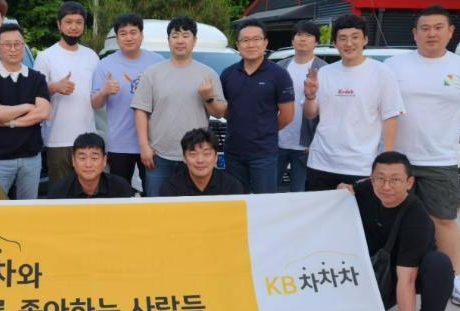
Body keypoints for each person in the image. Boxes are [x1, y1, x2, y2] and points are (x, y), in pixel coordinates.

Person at [386, 5, 460, 307]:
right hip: (397, 159)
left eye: (438, 27)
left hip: (440, 159)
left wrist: (444, 125)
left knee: (443, 221)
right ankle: (390, 274)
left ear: (450, 31)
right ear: (415, 33)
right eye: (425, 28)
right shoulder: (394, 65)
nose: (432, 33)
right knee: (393, 220)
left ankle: (453, 278)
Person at [339, 151, 454, 311]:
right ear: (371, 178)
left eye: (395, 180)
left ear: (409, 182)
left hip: (404, 274)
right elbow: (344, 191)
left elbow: (406, 279)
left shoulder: (416, 218)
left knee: (439, 264)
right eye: (380, 178)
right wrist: (341, 190)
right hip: (372, 269)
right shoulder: (365, 190)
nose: (386, 186)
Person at [303, 14, 405, 191]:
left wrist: (384, 163)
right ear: (335, 43)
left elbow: (390, 118)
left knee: (361, 210)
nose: (349, 43)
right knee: (320, 210)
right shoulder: (324, 73)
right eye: (342, 38)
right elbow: (310, 114)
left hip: (361, 166)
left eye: (355, 37)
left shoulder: (382, 72)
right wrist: (310, 96)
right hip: (320, 162)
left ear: (365, 39)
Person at [130, 15, 226, 197]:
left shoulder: (208, 74)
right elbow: (141, 111)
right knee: (157, 207)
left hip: (196, 157)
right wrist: (144, 147)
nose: (180, 40)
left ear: (194, 40)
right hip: (159, 156)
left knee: (194, 208)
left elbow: (220, 112)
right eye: (175, 36)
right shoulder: (152, 73)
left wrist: (208, 97)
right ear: (168, 40)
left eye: (185, 35)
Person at [90, 13, 164, 191]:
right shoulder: (105, 64)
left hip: (153, 142)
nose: (128, 38)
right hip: (120, 143)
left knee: (153, 193)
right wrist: (105, 91)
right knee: (119, 193)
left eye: (133, 32)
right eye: (123, 33)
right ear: (117, 38)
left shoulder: (157, 62)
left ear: (142, 35)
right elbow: (95, 103)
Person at [221, 18, 294, 194]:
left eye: (256, 39)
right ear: (238, 45)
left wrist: (264, 129)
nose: (251, 44)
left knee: (265, 203)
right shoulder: (228, 74)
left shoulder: (279, 75)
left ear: (265, 43)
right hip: (233, 152)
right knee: (237, 201)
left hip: (264, 154)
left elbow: (287, 116)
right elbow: (226, 111)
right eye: (245, 40)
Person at [0, 24, 50, 199]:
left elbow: (42, 113)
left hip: (31, 157)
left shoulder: (37, 78)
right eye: (7, 44)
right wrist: (27, 107)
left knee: (28, 208)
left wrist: (10, 122)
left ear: (23, 45)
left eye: (17, 44)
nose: (13, 49)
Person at [34, 1, 99, 186]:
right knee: (60, 192)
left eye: (79, 22)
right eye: (68, 22)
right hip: (57, 139)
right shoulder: (45, 57)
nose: (73, 27)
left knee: (88, 190)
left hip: (88, 137)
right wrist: (54, 87)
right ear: (59, 24)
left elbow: (96, 98)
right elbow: (33, 94)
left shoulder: (92, 56)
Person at [274, 21, 328, 192]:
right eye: (299, 34)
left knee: (298, 193)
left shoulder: (324, 70)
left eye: (308, 35)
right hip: (277, 142)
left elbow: (328, 111)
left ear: (316, 41)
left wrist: (316, 143)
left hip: (305, 146)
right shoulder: (280, 67)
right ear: (292, 40)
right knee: (268, 191)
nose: (303, 39)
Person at [47, 133, 134, 199]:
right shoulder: (58, 192)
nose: (88, 165)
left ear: (104, 160)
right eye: (82, 158)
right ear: (73, 161)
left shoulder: (120, 187)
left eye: (94, 158)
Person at [160, 128, 243, 197]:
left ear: (215, 157)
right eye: (193, 154)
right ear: (184, 158)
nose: (200, 160)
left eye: (206, 154)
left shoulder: (231, 186)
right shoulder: (171, 187)